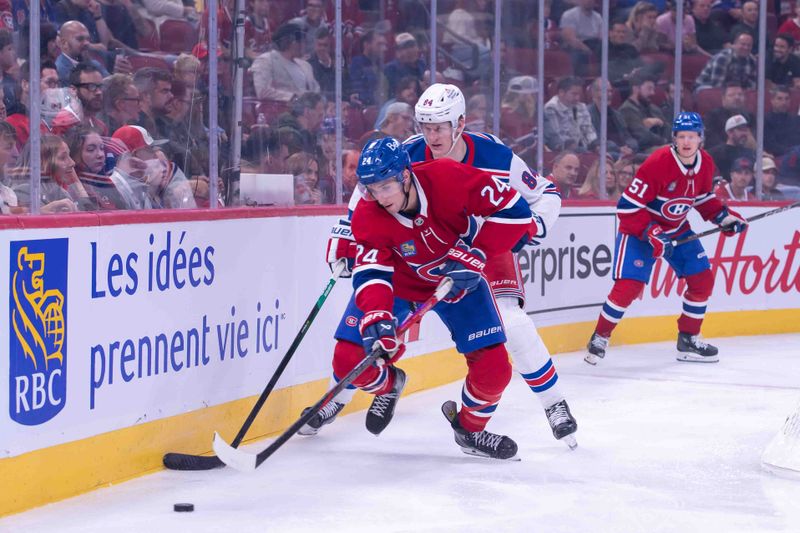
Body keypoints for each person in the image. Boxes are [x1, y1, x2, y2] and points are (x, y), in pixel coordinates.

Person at [313, 83, 578, 449]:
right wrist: (345, 234)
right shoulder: (405, 157)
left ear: (461, 123)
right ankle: (342, 393)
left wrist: (531, 227)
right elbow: (367, 196)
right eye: (424, 125)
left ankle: (553, 404)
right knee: (373, 324)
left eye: (439, 126)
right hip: (419, 249)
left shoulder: (494, 156)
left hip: (485, 241)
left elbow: (543, 194)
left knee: (510, 325)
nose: (431, 135)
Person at [330, 136, 532, 459]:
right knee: (347, 360)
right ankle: (390, 383)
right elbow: (372, 275)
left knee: (495, 371)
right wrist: (378, 318)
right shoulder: (367, 216)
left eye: (385, 187)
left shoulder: (448, 177)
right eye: (371, 189)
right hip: (399, 284)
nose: (379, 198)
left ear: (405, 176)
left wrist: (477, 253)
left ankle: (469, 430)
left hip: (459, 281)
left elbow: (516, 211)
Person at [584, 112, 748, 366]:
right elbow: (627, 207)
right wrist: (651, 232)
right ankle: (600, 336)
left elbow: (703, 199)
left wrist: (724, 218)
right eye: (681, 136)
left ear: (700, 139)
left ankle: (689, 339)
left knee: (702, 280)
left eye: (691, 136)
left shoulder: (705, 162)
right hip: (640, 230)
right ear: (674, 139)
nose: (686, 141)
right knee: (628, 286)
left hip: (677, 228)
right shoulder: (658, 163)